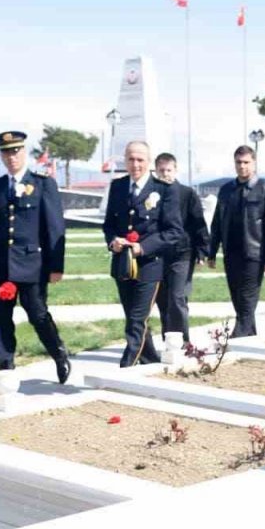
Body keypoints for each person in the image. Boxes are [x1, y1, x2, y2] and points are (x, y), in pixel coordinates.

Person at [0, 130, 71, 388]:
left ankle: (59, 353)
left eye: (15, 150)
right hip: (0, 266)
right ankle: (4, 371)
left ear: (24, 151)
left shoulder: (42, 182)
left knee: (38, 315)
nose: (11, 156)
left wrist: (55, 266)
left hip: (32, 266)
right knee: (1, 322)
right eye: (6, 152)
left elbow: (54, 227)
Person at [102, 141, 184, 366]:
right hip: (122, 264)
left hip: (149, 265)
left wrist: (144, 247)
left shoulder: (164, 189)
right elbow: (108, 224)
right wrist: (113, 242)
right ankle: (149, 360)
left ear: (149, 162)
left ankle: (125, 366)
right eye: (130, 159)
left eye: (140, 160)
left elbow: (174, 231)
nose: (135, 164)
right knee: (132, 316)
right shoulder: (118, 187)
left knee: (137, 319)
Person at [208, 145, 265, 338]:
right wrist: (211, 252)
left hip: (254, 253)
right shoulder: (226, 190)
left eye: (246, 162)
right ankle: (249, 335)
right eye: (238, 162)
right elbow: (216, 223)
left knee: (248, 297)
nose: (242, 166)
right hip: (231, 253)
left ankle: (238, 336)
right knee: (237, 298)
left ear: (254, 163)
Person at [153, 152, 210, 345]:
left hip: (182, 253)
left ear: (175, 170)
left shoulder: (187, 193)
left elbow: (198, 223)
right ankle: (169, 340)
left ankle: (184, 342)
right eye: (161, 170)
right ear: (155, 170)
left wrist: (203, 250)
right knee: (162, 300)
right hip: (157, 255)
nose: (165, 174)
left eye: (169, 170)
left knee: (177, 297)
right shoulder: (151, 193)